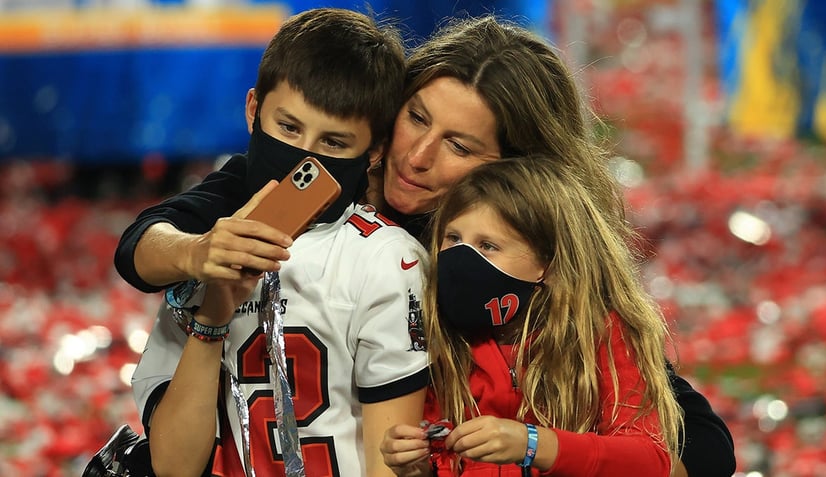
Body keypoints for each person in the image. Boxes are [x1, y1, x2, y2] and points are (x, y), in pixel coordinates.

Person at [114, 14, 735, 477]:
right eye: (416, 117)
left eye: (460, 147)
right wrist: (197, 255)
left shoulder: (511, 259)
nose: (417, 157)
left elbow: (701, 445)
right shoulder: (309, 182)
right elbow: (144, 242)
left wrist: (537, 442)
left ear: (512, 173)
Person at [130, 8, 429, 477]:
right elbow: (173, 467)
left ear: (372, 153)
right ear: (253, 110)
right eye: (288, 128)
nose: (302, 156)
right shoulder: (215, 237)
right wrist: (211, 312)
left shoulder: (385, 258)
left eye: (333, 142)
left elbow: (387, 460)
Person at [380, 155, 682, 476]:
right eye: (453, 239)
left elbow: (652, 461)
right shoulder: (435, 332)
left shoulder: (603, 331)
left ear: (548, 264)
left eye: (488, 246)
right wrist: (417, 468)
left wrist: (534, 444)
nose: (460, 257)